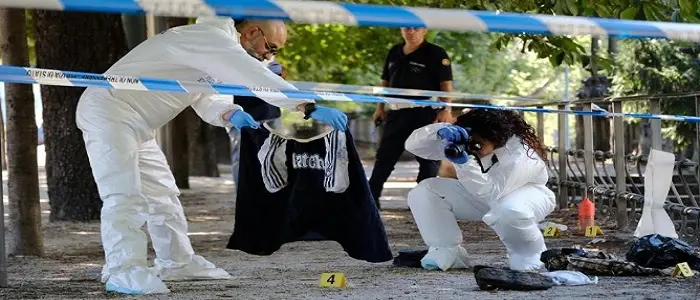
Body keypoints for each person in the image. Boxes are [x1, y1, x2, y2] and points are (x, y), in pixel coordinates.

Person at [75, 16, 348, 295]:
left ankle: (177, 261)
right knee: (124, 195)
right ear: (253, 31)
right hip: (109, 112)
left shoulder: (213, 48)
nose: (269, 55)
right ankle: (123, 269)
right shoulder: (210, 38)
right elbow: (253, 75)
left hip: (136, 122)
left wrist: (231, 113)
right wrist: (306, 106)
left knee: (163, 194)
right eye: (271, 47)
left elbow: (205, 95)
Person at [403, 109, 556, 272]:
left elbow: (491, 190)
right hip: (482, 195)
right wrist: (439, 133)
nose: (471, 149)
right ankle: (446, 251)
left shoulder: (520, 155)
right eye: (469, 142)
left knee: (510, 210)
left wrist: (465, 163)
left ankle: (530, 257)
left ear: (497, 139)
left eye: (478, 145)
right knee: (426, 191)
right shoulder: (469, 143)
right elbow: (412, 146)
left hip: (526, 196)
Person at [368, 27, 454, 209]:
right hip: (396, 113)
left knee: (428, 159)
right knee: (385, 157)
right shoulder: (394, 52)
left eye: (416, 28)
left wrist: (446, 108)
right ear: (401, 29)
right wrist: (379, 107)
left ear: (424, 30)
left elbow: (445, 84)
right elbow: (385, 82)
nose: (411, 31)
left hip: (425, 113)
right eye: (407, 27)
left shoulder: (436, 53)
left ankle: (422, 201)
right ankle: (370, 200)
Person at [227, 56, 285, 187]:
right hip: (241, 114)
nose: (268, 53)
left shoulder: (268, 55)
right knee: (242, 159)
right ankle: (242, 198)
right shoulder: (235, 49)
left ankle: (273, 198)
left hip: (272, 114)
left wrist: (276, 75)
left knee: (276, 158)